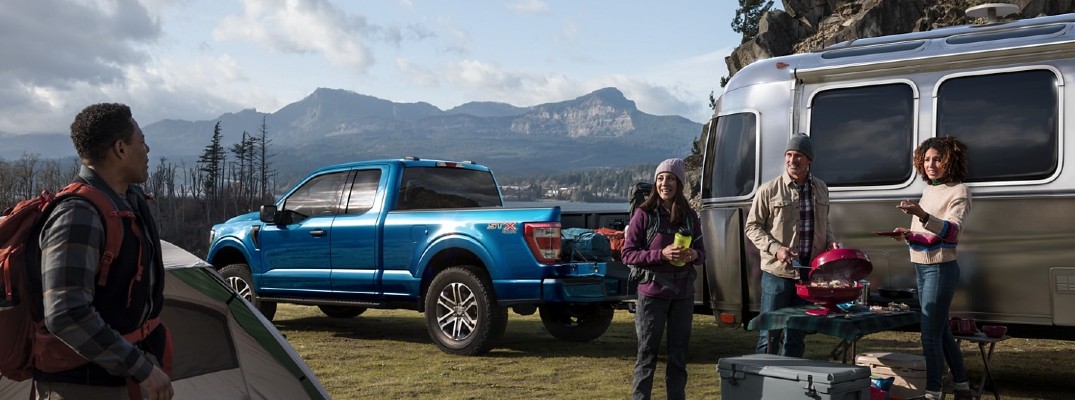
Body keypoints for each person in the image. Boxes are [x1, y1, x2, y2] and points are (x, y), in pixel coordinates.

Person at [34, 103, 173, 400]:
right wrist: (140, 368)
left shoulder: (127, 201)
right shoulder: (78, 214)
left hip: (119, 380)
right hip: (83, 387)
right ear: (120, 149)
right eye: (142, 141)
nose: (147, 150)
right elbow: (66, 313)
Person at [891, 137, 974, 400]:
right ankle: (962, 388)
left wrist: (922, 215)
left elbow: (950, 232)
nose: (931, 165)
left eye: (937, 159)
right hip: (923, 268)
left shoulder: (959, 191)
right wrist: (907, 233)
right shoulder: (929, 191)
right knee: (942, 333)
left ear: (949, 159)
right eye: (926, 159)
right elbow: (928, 236)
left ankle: (932, 393)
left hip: (940, 269)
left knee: (929, 336)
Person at [745, 133, 837, 357]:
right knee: (769, 334)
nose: (792, 160)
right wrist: (777, 249)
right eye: (789, 155)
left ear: (809, 160)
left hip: (809, 274)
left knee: (797, 333)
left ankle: (790, 384)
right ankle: (763, 382)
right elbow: (752, 227)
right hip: (777, 274)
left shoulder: (822, 188)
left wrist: (831, 241)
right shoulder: (768, 190)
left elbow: (824, 223)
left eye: (798, 156)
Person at [621, 158, 704, 400]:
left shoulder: (690, 216)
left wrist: (693, 253)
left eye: (669, 178)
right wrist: (661, 254)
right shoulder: (644, 215)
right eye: (660, 178)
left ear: (679, 183)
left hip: (682, 295)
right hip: (651, 295)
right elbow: (628, 254)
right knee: (647, 356)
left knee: (678, 357)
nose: (664, 183)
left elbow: (703, 253)